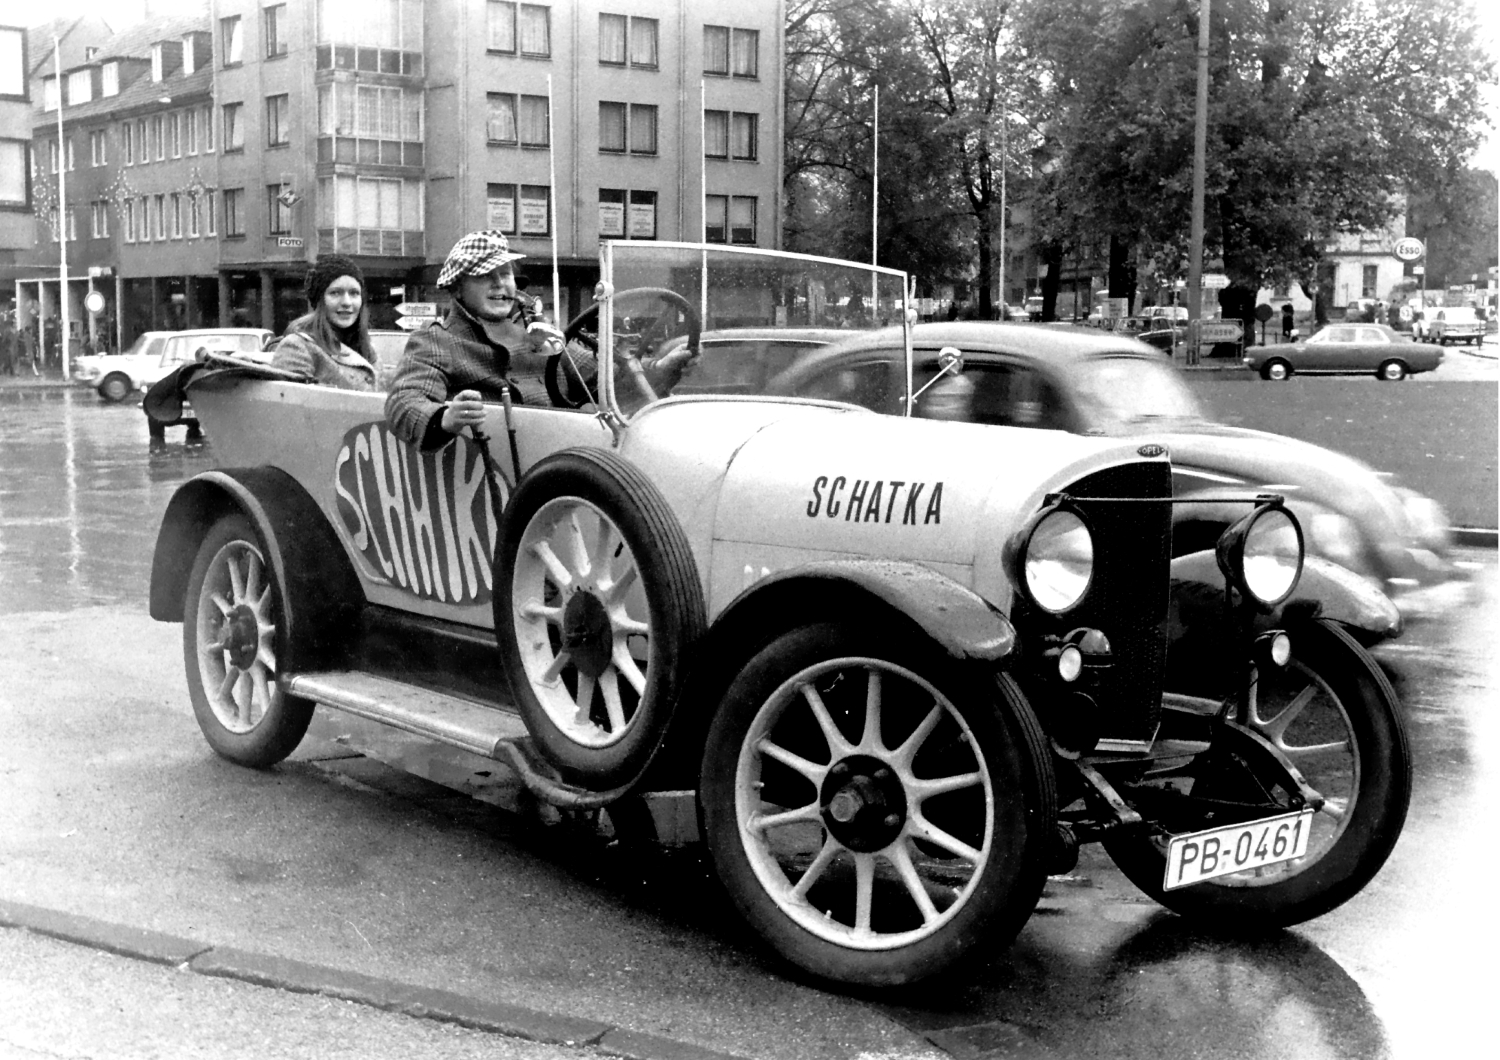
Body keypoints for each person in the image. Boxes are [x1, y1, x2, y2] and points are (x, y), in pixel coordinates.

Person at [385, 230, 580, 449]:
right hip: (490, 471)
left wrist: (621, 364)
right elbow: (403, 402)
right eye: (485, 275)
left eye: (505, 274)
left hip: (564, 459)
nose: (499, 283)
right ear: (458, 289)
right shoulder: (437, 339)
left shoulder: (539, 331)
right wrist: (445, 419)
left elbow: (602, 376)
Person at [269, 254, 378, 391]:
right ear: (320, 301)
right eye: (335, 293)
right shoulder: (298, 347)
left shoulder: (369, 350)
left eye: (354, 293)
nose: (347, 302)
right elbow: (289, 405)